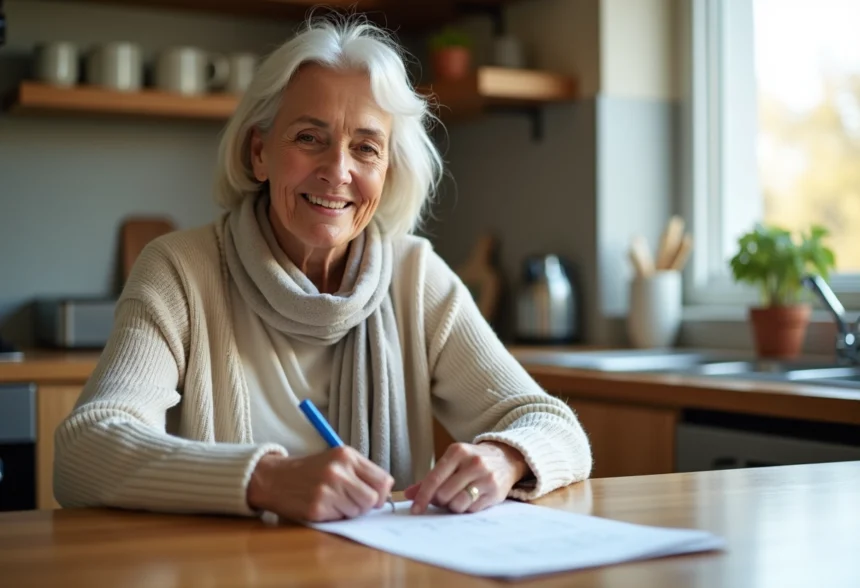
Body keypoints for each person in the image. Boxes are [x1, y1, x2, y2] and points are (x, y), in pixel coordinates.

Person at [53, 15, 592, 523]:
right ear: (259, 152)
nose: (338, 171)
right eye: (310, 138)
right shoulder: (179, 271)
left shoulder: (415, 276)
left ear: (387, 170)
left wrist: (504, 457)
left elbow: (553, 426)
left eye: (366, 147)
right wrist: (264, 479)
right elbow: (85, 451)